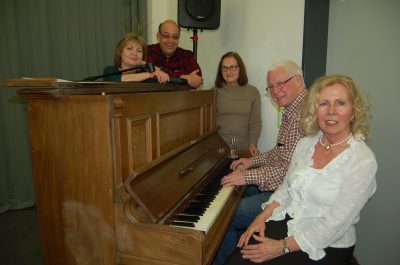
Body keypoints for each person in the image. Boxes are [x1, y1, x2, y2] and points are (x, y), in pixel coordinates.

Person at [226, 75, 377, 265]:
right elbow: (285, 190)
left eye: (340, 103)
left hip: (326, 243)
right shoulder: (306, 144)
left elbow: (334, 224)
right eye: (323, 104)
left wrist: (281, 247)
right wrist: (260, 217)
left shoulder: (363, 160)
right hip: (290, 222)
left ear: (354, 112)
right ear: (315, 110)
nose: (331, 111)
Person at [212, 60, 308, 265]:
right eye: (271, 86)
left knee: (224, 214)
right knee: (233, 194)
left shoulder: (303, 114)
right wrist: (251, 161)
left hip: (290, 198)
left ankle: (233, 260)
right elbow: (280, 152)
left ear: (298, 80)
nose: (276, 91)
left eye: (281, 83)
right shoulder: (293, 107)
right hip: (281, 187)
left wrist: (246, 175)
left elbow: (286, 172)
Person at [212, 52, 262, 156]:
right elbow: (208, 124)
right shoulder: (214, 92)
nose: (228, 71)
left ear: (240, 68)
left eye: (233, 67)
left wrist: (253, 144)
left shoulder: (253, 92)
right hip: (218, 149)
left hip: (243, 149)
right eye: (224, 68)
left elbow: (255, 123)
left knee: (242, 171)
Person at [147, 19, 203, 88]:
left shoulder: (187, 56)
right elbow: (141, 72)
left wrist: (160, 72)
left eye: (175, 37)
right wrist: (182, 77)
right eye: (166, 36)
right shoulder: (147, 51)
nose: (171, 41)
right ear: (158, 36)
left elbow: (197, 80)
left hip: (180, 98)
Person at [103, 32, 169, 82]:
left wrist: (143, 63)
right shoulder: (110, 70)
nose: (134, 53)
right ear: (120, 52)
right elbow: (121, 79)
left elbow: (163, 79)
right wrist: (149, 74)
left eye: (139, 51)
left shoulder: (144, 75)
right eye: (129, 48)